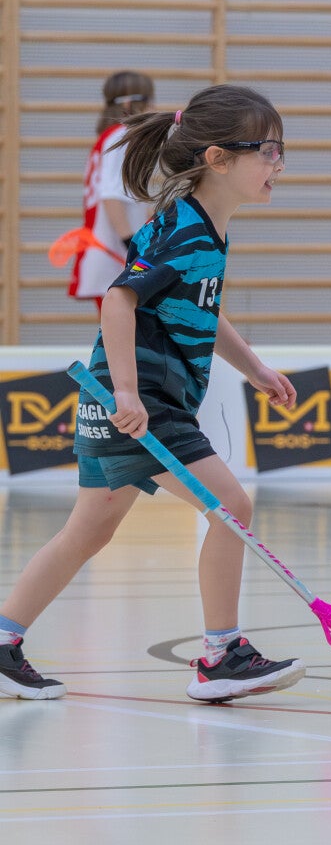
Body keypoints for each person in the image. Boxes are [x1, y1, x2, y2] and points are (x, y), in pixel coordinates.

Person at [2, 85, 305, 703]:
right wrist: (126, 391)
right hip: (142, 404)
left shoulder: (206, 230)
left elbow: (200, 311)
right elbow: (118, 300)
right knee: (230, 507)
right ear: (219, 159)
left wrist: (254, 368)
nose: (280, 164)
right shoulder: (184, 231)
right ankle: (221, 655)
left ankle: (2, 642)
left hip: (129, 401)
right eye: (270, 151)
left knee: (88, 531)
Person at [71, 70, 155, 308]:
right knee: (123, 326)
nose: (153, 107)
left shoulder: (109, 137)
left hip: (109, 251)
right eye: (149, 101)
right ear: (129, 104)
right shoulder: (122, 137)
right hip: (115, 254)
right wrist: (132, 246)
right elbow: (110, 196)